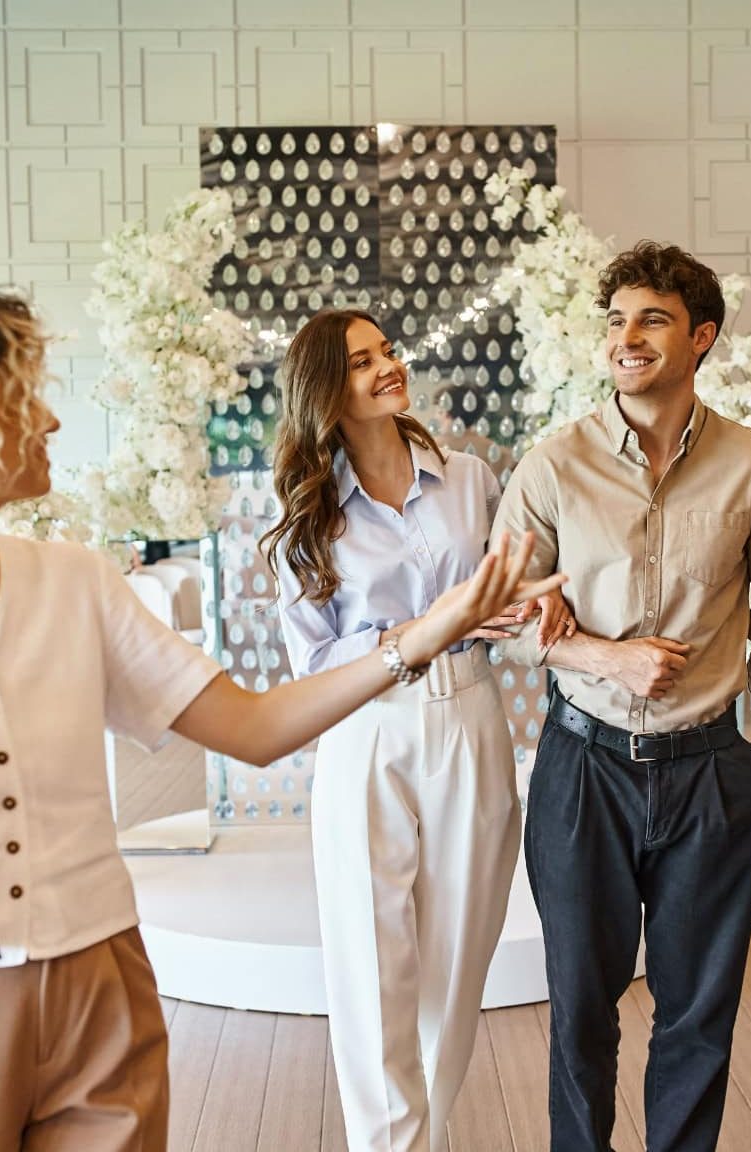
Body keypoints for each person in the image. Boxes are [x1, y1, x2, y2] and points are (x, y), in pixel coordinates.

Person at [0, 290, 567, 1152]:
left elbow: (252, 729)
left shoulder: (73, 582)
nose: (54, 419)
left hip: (104, 988)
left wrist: (437, 630)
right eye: (27, 398)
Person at [492, 241, 751, 1152]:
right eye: (615, 321)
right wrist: (607, 658)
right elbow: (501, 616)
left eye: (652, 320)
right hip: (582, 768)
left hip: (713, 772)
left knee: (697, 1016)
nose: (625, 339)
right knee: (581, 1017)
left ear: (701, 337)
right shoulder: (552, 467)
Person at [262, 308, 573, 1152]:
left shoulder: (469, 478)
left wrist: (520, 605)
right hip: (366, 728)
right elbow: (314, 663)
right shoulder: (307, 508)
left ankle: (423, 1142)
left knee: (455, 961)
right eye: (361, 362)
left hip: (472, 715)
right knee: (371, 967)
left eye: (387, 352)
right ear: (327, 388)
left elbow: (515, 587)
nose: (387, 368)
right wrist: (427, 626)